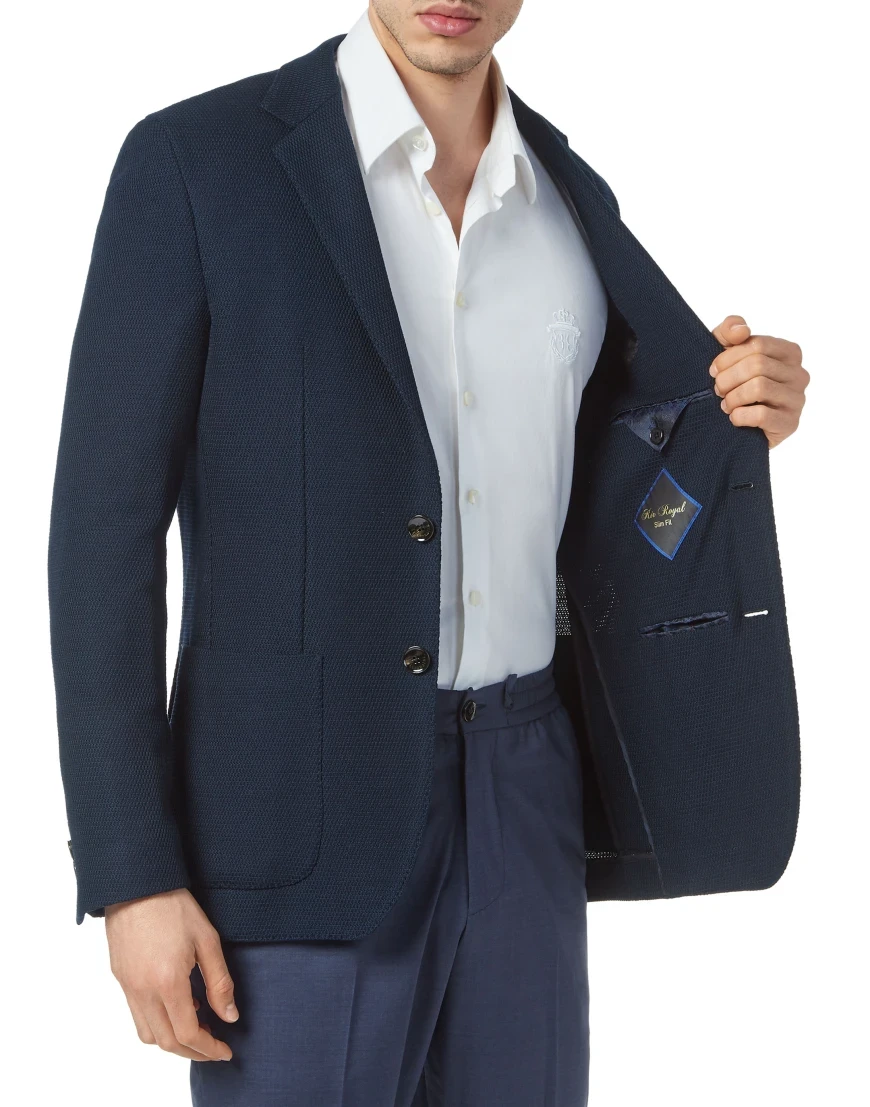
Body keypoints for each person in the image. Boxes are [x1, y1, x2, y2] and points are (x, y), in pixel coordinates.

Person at [47, 3, 810, 1104]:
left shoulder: (564, 199)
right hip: (293, 822)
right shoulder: (197, 166)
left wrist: (733, 414)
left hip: (527, 785)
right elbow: (101, 540)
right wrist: (133, 875)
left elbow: (610, 467)